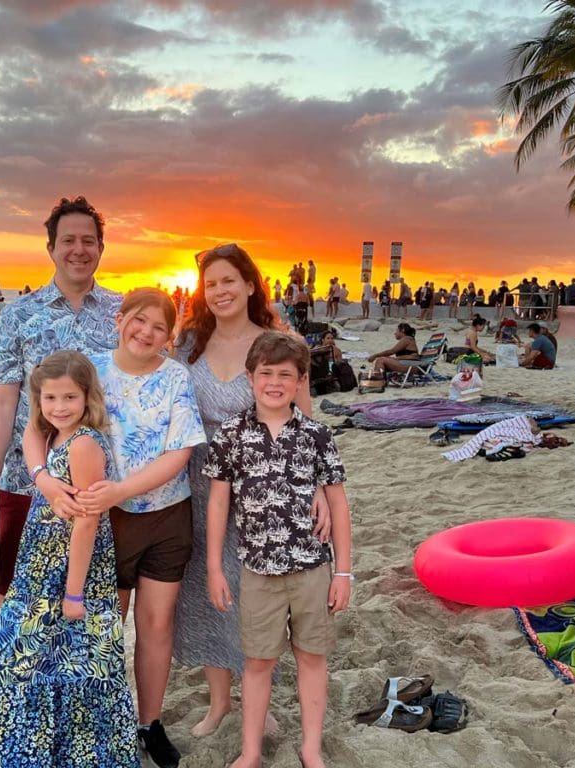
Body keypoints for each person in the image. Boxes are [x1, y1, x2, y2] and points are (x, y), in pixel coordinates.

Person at [22, 288, 206, 767]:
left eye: (159, 328)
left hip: (168, 516)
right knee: (106, 628)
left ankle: (150, 722)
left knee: (156, 623)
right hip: (107, 525)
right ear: (120, 319)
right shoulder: (91, 369)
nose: (146, 333)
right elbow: (35, 428)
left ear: (170, 336)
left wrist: (123, 489)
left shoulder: (175, 377)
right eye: (139, 321)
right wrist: (44, 481)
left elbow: (179, 452)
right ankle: (105, 720)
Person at [172, 243, 329, 742]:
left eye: (228, 281)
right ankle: (220, 702)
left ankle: (255, 698)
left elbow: (307, 419)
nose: (219, 291)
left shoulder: (277, 342)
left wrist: (320, 488)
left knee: (254, 591)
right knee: (205, 591)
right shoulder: (188, 344)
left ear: (249, 284)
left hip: (269, 489)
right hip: (198, 486)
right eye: (210, 283)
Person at [0, 351, 138, 767]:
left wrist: (75, 593)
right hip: (37, 562)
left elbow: (88, 522)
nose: (59, 407)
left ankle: (71, 754)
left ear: (87, 398)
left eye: (69, 398)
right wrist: (43, 478)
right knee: (12, 652)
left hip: (70, 570)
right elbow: (28, 433)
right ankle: (12, 745)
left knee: (71, 662)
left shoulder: (83, 444)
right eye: (50, 399)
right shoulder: (49, 433)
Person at [0, 196, 123, 615]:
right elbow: (3, 397)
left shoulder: (122, 314)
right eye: (68, 240)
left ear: (101, 248)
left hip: (100, 483)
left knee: (94, 601)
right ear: (50, 248)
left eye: (89, 241)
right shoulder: (19, 315)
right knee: (12, 602)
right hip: (27, 479)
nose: (79, 250)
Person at [205, 331, 351, 768]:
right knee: (258, 662)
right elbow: (218, 502)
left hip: (312, 569)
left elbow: (338, 503)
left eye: (285, 375)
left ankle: (311, 748)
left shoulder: (317, 435)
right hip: (257, 572)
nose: (274, 382)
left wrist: (343, 571)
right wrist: (214, 566)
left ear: (301, 380)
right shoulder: (231, 435)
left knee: (312, 656)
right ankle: (250, 751)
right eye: (265, 373)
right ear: (249, 377)